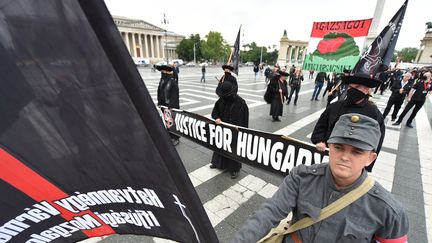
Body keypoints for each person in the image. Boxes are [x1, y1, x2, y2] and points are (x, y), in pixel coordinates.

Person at [232, 113, 408, 243]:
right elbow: (267, 214)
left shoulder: (389, 211)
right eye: (338, 147)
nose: (345, 157)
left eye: (356, 152)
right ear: (329, 148)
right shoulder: (302, 177)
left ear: (371, 158)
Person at [311, 72, 385, 172]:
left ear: (367, 90)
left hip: (353, 162)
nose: (352, 90)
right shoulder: (335, 106)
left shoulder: (374, 113)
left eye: (357, 87)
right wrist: (320, 140)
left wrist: (366, 166)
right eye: (350, 87)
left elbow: (377, 142)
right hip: (331, 155)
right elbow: (321, 125)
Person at [210, 81, 249, 179]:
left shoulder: (241, 102)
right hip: (222, 129)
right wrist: (217, 118)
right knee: (220, 146)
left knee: (234, 149)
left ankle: (235, 169)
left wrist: (239, 127)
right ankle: (217, 163)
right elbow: (215, 112)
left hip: (234, 130)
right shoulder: (221, 100)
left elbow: (243, 118)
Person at [156, 65, 180, 145]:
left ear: (168, 72)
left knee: (172, 122)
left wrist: (171, 106)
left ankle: (175, 138)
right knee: (165, 121)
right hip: (163, 105)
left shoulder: (172, 81)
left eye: (164, 71)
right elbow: (159, 92)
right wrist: (159, 102)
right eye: (162, 72)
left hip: (170, 106)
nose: (162, 73)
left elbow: (175, 95)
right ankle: (168, 136)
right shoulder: (162, 80)